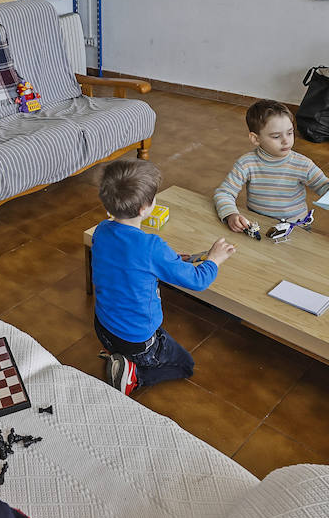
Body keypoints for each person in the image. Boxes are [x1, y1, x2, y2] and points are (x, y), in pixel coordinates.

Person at [92, 158, 235, 396]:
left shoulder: (101, 229)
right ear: (144, 208)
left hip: (103, 327)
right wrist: (214, 259)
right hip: (135, 341)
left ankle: (115, 354)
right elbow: (198, 281)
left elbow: (126, 261)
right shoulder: (151, 246)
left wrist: (168, 260)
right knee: (185, 365)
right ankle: (134, 377)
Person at [213, 99, 329, 232]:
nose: (286, 141)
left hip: (297, 229)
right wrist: (230, 214)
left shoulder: (303, 164)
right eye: (276, 136)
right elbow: (224, 193)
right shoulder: (246, 163)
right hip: (260, 227)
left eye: (290, 133)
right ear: (255, 139)